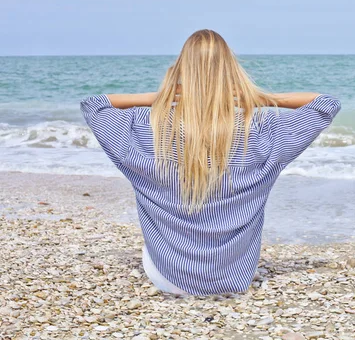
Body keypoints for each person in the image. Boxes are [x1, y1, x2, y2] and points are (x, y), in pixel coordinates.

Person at [80, 29, 341, 295]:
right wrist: (256, 98)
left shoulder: (149, 128)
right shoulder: (263, 129)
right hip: (236, 277)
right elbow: (325, 104)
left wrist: (164, 96)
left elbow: (94, 105)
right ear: (231, 71)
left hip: (168, 277)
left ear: (181, 70)